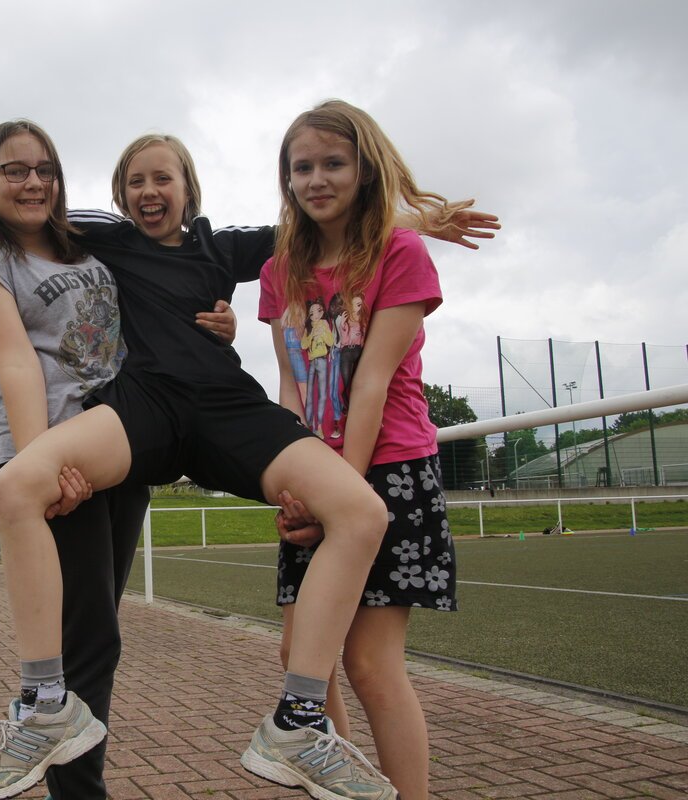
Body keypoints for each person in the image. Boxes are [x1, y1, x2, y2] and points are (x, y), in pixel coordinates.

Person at [0, 125, 496, 800]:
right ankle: (45, 702)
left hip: (225, 406)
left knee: (361, 510)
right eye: (135, 181)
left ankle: (299, 719)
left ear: (188, 189)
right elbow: (25, 198)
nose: (149, 191)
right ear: (120, 197)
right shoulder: (108, 240)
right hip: (146, 407)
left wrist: (422, 218)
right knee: (18, 486)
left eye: (162, 178)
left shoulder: (221, 248)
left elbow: (324, 219)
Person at [0, 120, 238, 800]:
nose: (33, 181)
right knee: (86, 639)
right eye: (15, 170)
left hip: (116, 447)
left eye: (46, 169)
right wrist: (40, 468)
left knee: (93, 633)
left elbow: (161, 287)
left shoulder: (88, 238)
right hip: (48, 454)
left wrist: (219, 321)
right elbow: (16, 363)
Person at [257, 99, 465, 800]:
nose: (316, 179)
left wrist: (338, 495)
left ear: (365, 169)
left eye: (333, 163)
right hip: (316, 474)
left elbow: (371, 382)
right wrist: (296, 478)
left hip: (389, 472)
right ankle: (341, 785)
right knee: (301, 660)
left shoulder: (400, 253)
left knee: (370, 664)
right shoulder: (279, 271)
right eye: (302, 168)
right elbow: (290, 384)